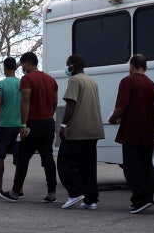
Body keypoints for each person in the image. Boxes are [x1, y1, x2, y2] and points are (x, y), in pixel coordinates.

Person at [0, 52, 58, 203]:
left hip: (34, 123)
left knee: (23, 158)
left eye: (23, 65)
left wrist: (23, 125)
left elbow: (25, 100)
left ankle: (15, 192)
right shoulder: (51, 80)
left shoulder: (27, 79)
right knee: (48, 158)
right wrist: (49, 115)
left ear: (27, 63)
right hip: (48, 122)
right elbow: (55, 102)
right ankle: (52, 193)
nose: (22, 68)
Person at [108, 54, 154, 214]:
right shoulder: (152, 85)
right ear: (145, 67)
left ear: (131, 65)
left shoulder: (127, 81)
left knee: (131, 169)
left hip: (131, 131)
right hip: (147, 132)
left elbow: (122, 106)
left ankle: (144, 197)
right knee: (144, 168)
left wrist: (113, 118)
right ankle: (138, 201)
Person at [57, 54, 105, 210]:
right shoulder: (92, 81)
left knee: (64, 164)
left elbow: (71, 103)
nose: (66, 68)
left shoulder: (75, 80)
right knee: (88, 166)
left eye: (67, 64)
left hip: (78, 130)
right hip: (94, 129)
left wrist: (63, 125)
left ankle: (75, 192)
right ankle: (91, 200)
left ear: (73, 65)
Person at [0, 57, 22, 198]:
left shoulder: (1, 84)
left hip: (5, 125)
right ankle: (18, 189)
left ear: (5, 68)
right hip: (20, 126)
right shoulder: (22, 83)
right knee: (19, 159)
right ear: (15, 68)